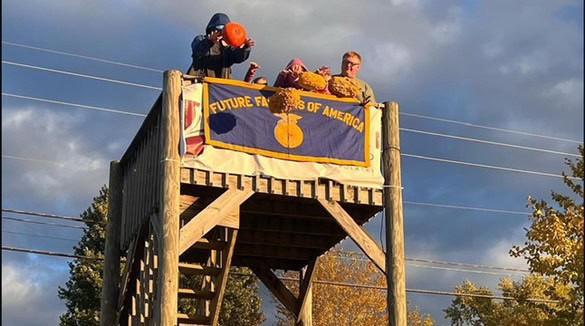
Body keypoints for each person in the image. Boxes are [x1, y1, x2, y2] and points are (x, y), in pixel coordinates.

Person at [187, 13, 255, 79]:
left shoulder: (228, 48)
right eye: (218, 30)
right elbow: (197, 51)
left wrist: (245, 47)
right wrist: (210, 41)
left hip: (221, 86)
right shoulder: (200, 39)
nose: (220, 34)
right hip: (199, 81)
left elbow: (238, 58)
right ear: (211, 29)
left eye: (224, 31)